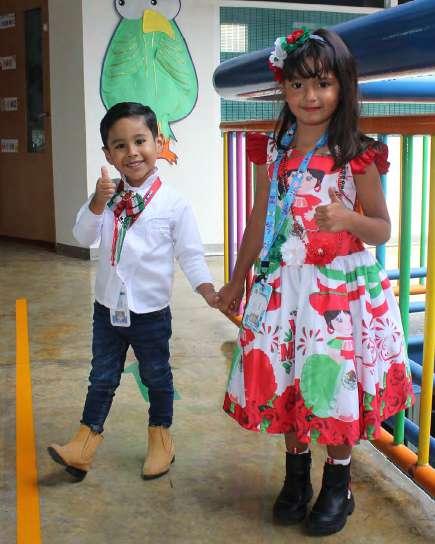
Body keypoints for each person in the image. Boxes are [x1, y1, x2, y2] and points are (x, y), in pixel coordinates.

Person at [217, 28, 414, 536]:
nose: (310, 96)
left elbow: (383, 228)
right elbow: (258, 220)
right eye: (298, 84)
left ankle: (337, 484)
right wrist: (236, 280)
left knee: (333, 384)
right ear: (283, 88)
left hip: (337, 293)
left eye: (323, 84)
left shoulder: (355, 152)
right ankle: (297, 478)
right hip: (285, 289)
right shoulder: (275, 149)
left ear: (342, 86)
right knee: (290, 380)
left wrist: (349, 219)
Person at [48, 102, 217, 482]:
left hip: (150, 313)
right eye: (120, 145)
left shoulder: (174, 204)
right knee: (102, 377)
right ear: (108, 154)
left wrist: (206, 287)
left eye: (140, 141)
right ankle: (83, 445)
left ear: (158, 142)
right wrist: (97, 202)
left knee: (156, 376)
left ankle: (161, 439)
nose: (132, 152)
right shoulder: (106, 198)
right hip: (107, 308)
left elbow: (190, 253)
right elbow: (83, 236)